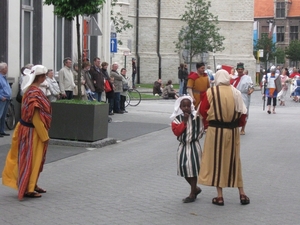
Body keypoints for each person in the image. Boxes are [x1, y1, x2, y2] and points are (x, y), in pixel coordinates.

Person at [198, 69, 250, 206]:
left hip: (215, 131)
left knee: (217, 161)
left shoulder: (211, 92)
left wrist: (207, 123)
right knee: (234, 160)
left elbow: (203, 110)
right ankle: (242, 193)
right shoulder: (236, 92)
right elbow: (243, 114)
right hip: (232, 131)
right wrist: (237, 124)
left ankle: (220, 196)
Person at [2, 65, 52, 200]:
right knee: (31, 159)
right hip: (32, 132)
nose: (45, 78)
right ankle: (28, 188)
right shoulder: (33, 93)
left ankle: (32, 183)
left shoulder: (31, 91)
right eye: (44, 76)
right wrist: (44, 135)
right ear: (40, 78)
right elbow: (35, 116)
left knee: (35, 159)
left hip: (28, 130)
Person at [170, 96, 204, 203]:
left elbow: (202, 128)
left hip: (194, 145)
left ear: (191, 106)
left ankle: (192, 193)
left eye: (188, 106)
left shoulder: (197, 117)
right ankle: (195, 189)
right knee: (184, 168)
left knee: (193, 170)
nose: (186, 108)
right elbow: (177, 132)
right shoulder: (177, 119)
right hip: (183, 146)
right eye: (183, 106)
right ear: (180, 107)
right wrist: (184, 122)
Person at [230, 62, 254, 135]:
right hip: (235, 95)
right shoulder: (233, 78)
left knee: (244, 111)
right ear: (236, 70)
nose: (240, 70)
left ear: (243, 70)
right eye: (239, 69)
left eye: (241, 69)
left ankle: (243, 128)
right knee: (235, 111)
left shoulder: (247, 78)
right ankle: (235, 127)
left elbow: (251, 87)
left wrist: (250, 91)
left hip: (244, 96)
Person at [0, 62, 12, 137]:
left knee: (3, 116)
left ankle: (2, 130)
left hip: (6, 99)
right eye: (6, 68)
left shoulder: (4, 77)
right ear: (2, 69)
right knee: (0, 115)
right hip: (2, 99)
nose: (7, 69)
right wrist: (1, 97)